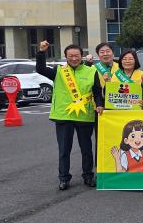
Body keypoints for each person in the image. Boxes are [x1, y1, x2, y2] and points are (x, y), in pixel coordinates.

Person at [35, 40, 103, 190]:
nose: (74, 58)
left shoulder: (91, 71)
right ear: (66, 57)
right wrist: (41, 52)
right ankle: (64, 178)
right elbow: (40, 69)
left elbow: (97, 91)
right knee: (64, 150)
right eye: (70, 56)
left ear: (81, 56)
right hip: (63, 116)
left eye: (76, 55)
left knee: (86, 149)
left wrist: (99, 104)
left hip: (85, 116)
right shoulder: (58, 71)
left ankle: (88, 175)